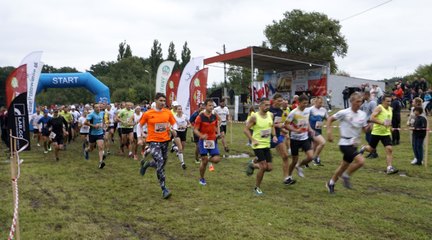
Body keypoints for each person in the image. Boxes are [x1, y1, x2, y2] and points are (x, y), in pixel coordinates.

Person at [325, 92, 369, 194]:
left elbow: (364, 129)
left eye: (361, 101)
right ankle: (346, 175)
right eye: (357, 101)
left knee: (343, 166)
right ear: (351, 101)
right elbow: (330, 119)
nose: (359, 103)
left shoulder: (363, 114)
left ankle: (331, 183)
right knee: (361, 161)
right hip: (344, 143)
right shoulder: (344, 112)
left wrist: (368, 127)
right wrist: (329, 132)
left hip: (354, 144)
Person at [139, 93, 176, 199]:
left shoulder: (167, 112)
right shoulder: (148, 113)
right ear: (155, 101)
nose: (163, 103)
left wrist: (174, 130)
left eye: (164, 101)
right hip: (153, 141)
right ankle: (164, 189)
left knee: (162, 164)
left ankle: (147, 164)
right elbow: (139, 125)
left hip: (165, 141)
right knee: (160, 162)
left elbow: (174, 123)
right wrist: (140, 137)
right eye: (160, 100)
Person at [244, 98, 277, 195]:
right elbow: (246, 129)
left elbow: (272, 126)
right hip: (257, 145)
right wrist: (252, 139)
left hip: (266, 144)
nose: (268, 107)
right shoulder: (254, 117)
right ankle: (256, 188)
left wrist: (274, 136)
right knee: (263, 166)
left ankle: (253, 165)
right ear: (260, 105)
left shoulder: (271, 115)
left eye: (269, 105)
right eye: (265, 105)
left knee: (269, 168)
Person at [363, 95, 399, 174]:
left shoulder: (390, 109)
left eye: (390, 101)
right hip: (377, 132)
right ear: (383, 101)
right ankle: (364, 148)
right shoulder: (379, 108)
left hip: (386, 133)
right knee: (371, 149)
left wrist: (391, 127)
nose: (389, 103)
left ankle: (389, 168)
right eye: (387, 101)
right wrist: (382, 123)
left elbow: (389, 120)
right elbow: (372, 118)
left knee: (389, 149)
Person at [285, 94, 314, 184]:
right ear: (299, 102)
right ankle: (288, 177)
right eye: (304, 103)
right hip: (295, 139)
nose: (305, 105)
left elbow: (306, 121)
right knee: (294, 160)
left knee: (310, 157)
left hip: (305, 138)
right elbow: (286, 124)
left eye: (307, 103)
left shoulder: (307, 111)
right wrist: (295, 130)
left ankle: (299, 166)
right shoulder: (293, 113)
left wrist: (310, 129)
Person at [193, 99, 221, 186]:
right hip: (203, 141)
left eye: (212, 105)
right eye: (209, 105)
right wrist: (201, 135)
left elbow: (217, 125)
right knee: (204, 161)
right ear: (205, 106)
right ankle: (202, 178)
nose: (211, 107)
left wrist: (218, 133)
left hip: (212, 140)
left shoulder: (214, 116)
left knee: (217, 159)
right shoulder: (200, 117)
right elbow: (195, 130)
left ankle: (207, 159)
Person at [269, 94, 291, 185]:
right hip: (266, 138)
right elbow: (269, 124)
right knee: (264, 163)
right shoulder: (268, 110)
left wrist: (283, 130)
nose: (281, 102)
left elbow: (279, 124)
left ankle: (286, 178)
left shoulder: (281, 111)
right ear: (273, 100)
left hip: (277, 137)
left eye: (281, 101)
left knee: (285, 156)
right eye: (279, 101)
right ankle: (253, 163)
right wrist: (277, 125)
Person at [306, 96, 328, 166]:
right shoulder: (310, 110)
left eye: (322, 102)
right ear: (315, 102)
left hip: (319, 129)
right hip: (311, 130)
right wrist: (309, 129)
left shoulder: (324, 110)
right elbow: (305, 119)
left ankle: (307, 161)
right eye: (319, 102)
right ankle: (315, 158)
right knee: (322, 142)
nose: (321, 104)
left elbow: (328, 118)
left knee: (314, 147)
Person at [84, 104, 106, 169]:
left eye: (99, 107)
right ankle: (86, 150)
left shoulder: (102, 113)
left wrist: (104, 125)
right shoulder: (91, 114)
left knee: (100, 147)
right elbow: (85, 122)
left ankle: (100, 162)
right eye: (96, 107)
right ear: (94, 108)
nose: (98, 108)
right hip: (92, 134)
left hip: (100, 133)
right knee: (91, 149)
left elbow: (103, 120)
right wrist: (94, 126)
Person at [360, 91, 378, 158]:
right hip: (366, 123)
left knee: (370, 139)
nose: (362, 97)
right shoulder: (365, 103)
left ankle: (374, 153)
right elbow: (359, 108)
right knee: (367, 138)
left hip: (370, 123)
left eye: (363, 95)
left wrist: (371, 122)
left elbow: (374, 113)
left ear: (367, 95)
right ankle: (371, 152)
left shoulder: (372, 103)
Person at [172, 105, 190, 169]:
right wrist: (175, 128)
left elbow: (189, 124)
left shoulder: (185, 116)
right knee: (180, 147)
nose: (179, 110)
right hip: (177, 132)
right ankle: (182, 163)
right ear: (176, 110)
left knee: (182, 148)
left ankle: (174, 147)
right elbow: (171, 125)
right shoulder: (174, 117)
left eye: (180, 109)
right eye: (178, 109)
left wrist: (186, 126)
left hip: (183, 132)